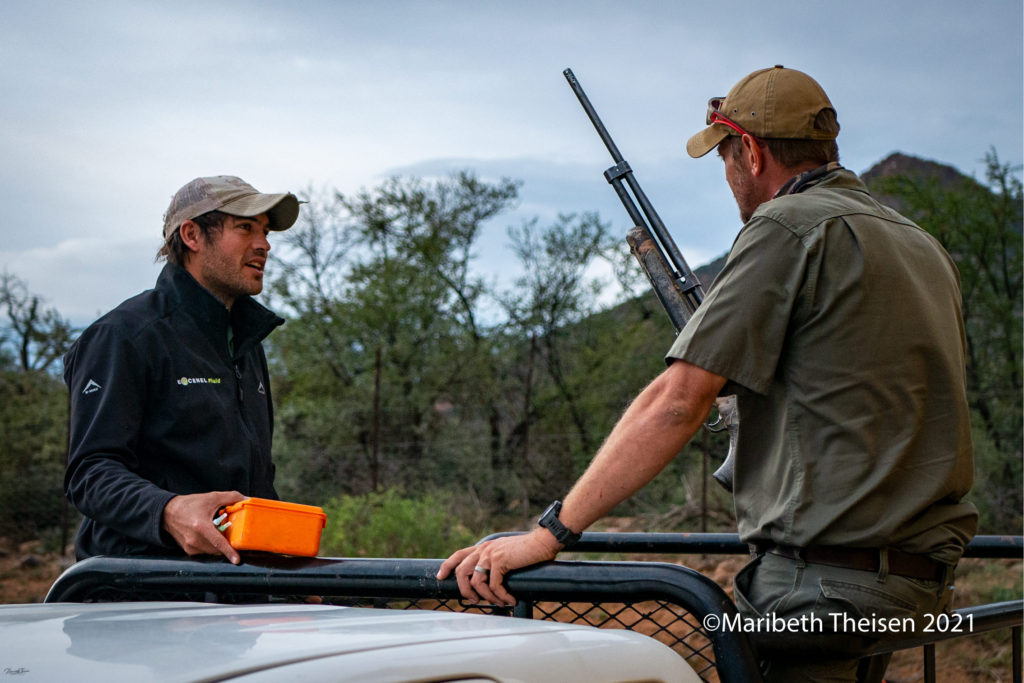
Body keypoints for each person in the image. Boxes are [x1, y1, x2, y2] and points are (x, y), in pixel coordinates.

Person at [438, 66, 978, 681]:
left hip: (819, 591)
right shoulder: (918, 242)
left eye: (723, 155)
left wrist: (549, 534)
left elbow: (676, 401)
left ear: (749, 151)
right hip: (914, 587)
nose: (727, 175)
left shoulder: (785, 226)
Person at [63, 175, 300, 565]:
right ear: (192, 235)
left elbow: (256, 485)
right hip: (139, 596)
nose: (264, 244)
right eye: (245, 228)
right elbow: (90, 473)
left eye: (265, 231)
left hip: (233, 594)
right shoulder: (124, 336)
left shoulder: (246, 344)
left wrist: (284, 570)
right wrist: (168, 510)